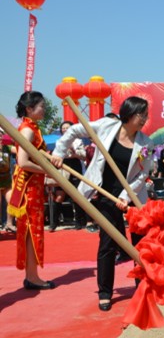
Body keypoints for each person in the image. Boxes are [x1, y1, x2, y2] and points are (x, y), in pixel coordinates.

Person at [52, 96, 153, 311]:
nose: (145, 119)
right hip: (105, 193)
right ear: (129, 114)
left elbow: (142, 174)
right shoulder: (107, 126)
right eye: (141, 114)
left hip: (133, 196)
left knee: (140, 244)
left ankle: (142, 287)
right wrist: (59, 152)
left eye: (146, 115)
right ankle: (105, 291)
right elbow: (73, 131)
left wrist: (126, 196)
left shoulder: (146, 143)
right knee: (108, 243)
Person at [9, 91, 62, 290]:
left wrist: (49, 162)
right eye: (42, 106)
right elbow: (23, 162)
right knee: (32, 231)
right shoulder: (27, 130)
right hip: (28, 187)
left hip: (33, 186)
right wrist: (48, 171)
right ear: (29, 109)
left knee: (32, 230)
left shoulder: (31, 128)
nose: (44, 109)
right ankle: (32, 277)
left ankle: (31, 275)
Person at [50, 121, 88, 230]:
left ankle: (80, 221)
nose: (65, 129)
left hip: (75, 167)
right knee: (59, 196)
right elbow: (55, 155)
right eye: (63, 128)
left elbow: (83, 156)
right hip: (63, 167)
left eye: (67, 128)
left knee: (77, 196)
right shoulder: (59, 142)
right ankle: (54, 223)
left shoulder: (78, 141)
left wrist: (74, 152)